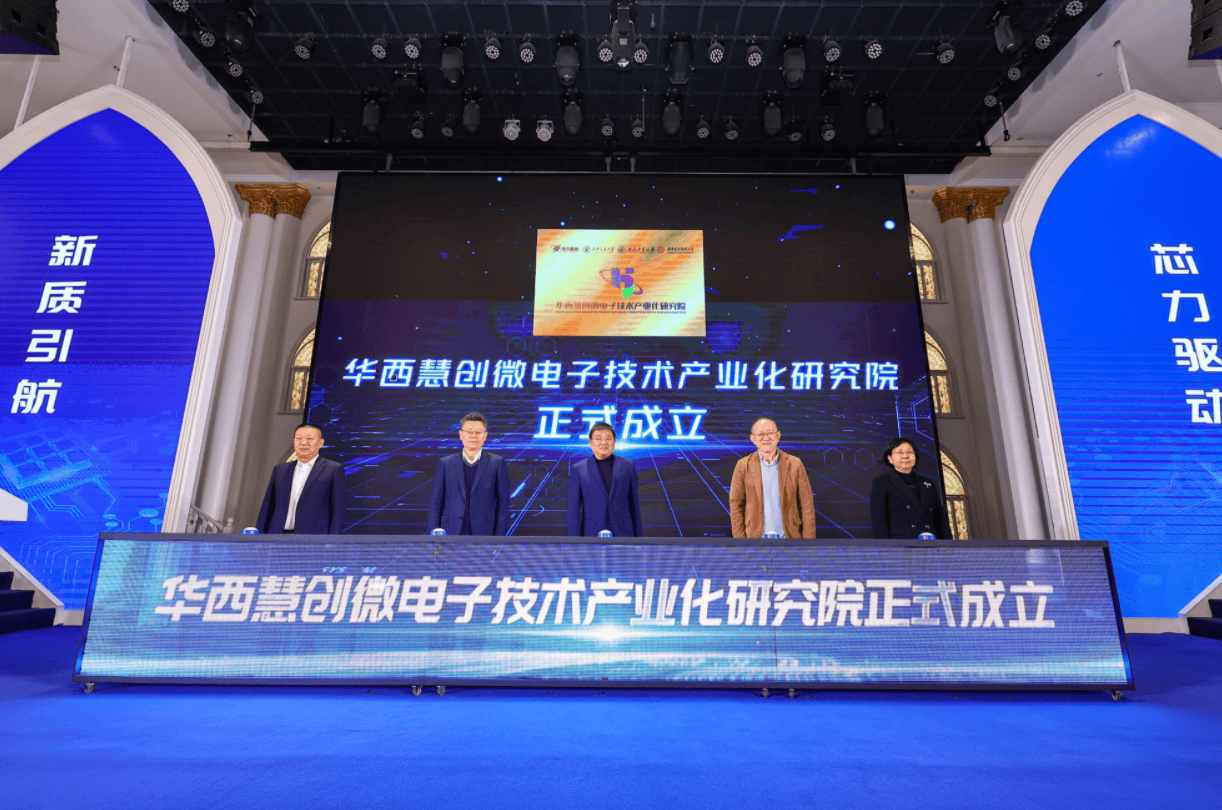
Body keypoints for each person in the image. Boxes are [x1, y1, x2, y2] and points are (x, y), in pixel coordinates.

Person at [728, 418, 816, 539]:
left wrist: (808, 542)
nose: (766, 438)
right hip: (754, 540)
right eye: (761, 434)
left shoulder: (795, 464)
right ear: (753, 439)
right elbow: (735, 504)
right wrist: (741, 541)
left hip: (790, 538)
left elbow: (807, 503)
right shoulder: (742, 465)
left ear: (778, 436)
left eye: (770, 433)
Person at [427, 412, 511, 535]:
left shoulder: (497, 463)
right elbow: (436, 502)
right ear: (461, 434)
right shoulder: (446, 463)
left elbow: (503, 504)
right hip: (450, 530)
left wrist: (499, 538)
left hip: (485, 532)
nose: (473, 436)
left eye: (478, 432)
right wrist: (433, 532)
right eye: (469, 432)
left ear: (485, 435)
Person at [256, 423, 347, 534]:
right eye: (299, 439)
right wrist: (259, 536)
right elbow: (267, 507)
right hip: (277, 534)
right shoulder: (280, 470)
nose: (303, 443)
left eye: (309, 439)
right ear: (294, 442)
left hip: (313, 536)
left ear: (320, 443)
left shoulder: (333, 469)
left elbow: (338, 511)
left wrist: (332, 540)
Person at [567, 422, 643, 537]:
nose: (603, 442)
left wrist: (638, 540)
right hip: (591, 534)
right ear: (591, 442)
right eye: (598, 438)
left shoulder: (628, 466)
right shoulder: (578, 469)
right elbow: (573, 511)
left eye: (608, 438)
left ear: (614, 442)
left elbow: (634, 506)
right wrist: (575, 542)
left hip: (624, 534)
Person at [869, 438, 950, 539]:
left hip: (930, 540)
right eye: (899, 452)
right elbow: (879, 519)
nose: (905, 456)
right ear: (890, 459)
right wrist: (886, 546)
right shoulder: (882, 482)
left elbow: (940, 519)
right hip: (902, 542)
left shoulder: (928, 483)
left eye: (909, 452)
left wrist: (947, 544)